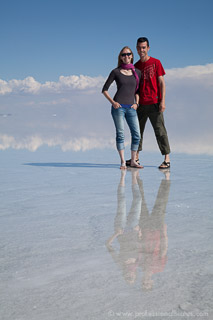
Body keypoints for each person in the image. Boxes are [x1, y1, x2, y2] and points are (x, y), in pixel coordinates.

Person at [126, 37, 171, 169]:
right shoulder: (136, 67)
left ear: (148, 48)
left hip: (154, 103)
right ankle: (136, 158)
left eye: (144, 47)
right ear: (136, 49)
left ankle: (166, 159)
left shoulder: (156, 62)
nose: (141, 50)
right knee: (137, 132)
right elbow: (134, 87)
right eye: (139, 48)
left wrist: (162, 101)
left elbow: (162, 83)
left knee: (160, 131)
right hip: (140, 105)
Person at [102, 46, 143, 169]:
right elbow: (104, 90)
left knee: (137, 134)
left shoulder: (137, 72)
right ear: (120, 57)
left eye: (128, 54)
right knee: (120, 134)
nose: (126, 56)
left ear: (132, 55)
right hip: (118, 107)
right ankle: (123, 162)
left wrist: (137, 103)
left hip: (131, 107)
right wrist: (113, 102)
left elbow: (137, 91)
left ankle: (134, 161)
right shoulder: (115, 72)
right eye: (124, 54)